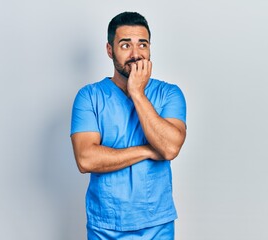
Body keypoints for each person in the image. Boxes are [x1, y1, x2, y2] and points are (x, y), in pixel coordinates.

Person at [70, 11, 187, 239]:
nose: (136, 54)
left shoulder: (169, 94)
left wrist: (137, 92)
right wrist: (148, 150)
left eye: (142, 45)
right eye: (125, 45)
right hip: (105, 226)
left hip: (157, 226)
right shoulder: (89, 97)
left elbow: (170, 148)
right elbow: (86, 159)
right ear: (109, 50)